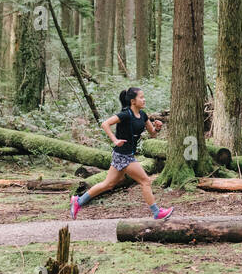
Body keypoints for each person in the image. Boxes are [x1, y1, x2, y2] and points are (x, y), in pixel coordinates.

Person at [70, 87, 172, 221]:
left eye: (143, 96)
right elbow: (105, 124)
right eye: (141, 97)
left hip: (126, 154)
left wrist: (157, 128)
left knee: (108, 184)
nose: (144, 99)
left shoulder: (143, 115)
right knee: (145, 181)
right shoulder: (125, 114)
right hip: (123, 156)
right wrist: (115, 140)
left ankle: (78, 201)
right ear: (133, 101)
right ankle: (157, 212)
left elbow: (152, 134)